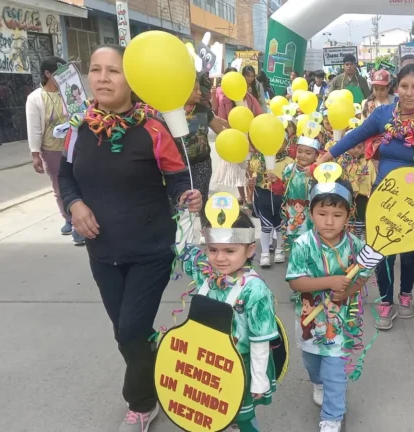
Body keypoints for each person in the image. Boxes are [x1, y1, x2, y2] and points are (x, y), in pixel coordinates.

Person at [58, 44, 202, 432]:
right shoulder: (78, 127)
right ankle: (156, 354)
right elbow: (66, 177)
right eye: (95, 69)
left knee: (129, 331)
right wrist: (74, 206)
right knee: (128, 334)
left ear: (132, 79)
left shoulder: (153, 128)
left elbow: (177, 179)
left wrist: (186, 196)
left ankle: (140, 402)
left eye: (113, 71)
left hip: (150, 251)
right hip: (102, 252)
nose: (102, 78)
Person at [319, 63, 414, 329]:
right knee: (381, 251)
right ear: (396, 87)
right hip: (384, 196)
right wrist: (326, 157)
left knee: (409, 252)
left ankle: (405, 296)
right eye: (404, 86)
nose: (409, 92)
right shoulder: (383, 115)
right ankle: (385, 301)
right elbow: (355, 135)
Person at [175, 207, 279, 432]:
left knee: (242, 417)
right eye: (213, 249)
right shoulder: (205, 272)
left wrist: (258, 379)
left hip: (238, 365)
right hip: (202, 363)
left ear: (250, 249)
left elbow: (260, 340)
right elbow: (182, 249)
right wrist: (186, 213)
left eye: (230, 250)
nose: (219, 258)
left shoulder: (255, 290)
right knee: (206, 412)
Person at [286, 178, 369, 432]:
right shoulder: (302, 245)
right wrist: (330, 282)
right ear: (311, 212)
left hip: (342, 322)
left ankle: (332, 417)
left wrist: (348, 292)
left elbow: (363, 276)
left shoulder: (356, 245)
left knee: (335, 370)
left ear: (348, 215)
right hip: (310, 320)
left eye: (337, 214)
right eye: (322, 213)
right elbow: (296, 283)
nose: (329, 221)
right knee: (313, 364)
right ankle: (317, 383)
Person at [25, 56, 86, 245]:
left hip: (75, 146)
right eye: (59, 73)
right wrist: (35, 153)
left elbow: (83, 112)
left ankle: (79, 219)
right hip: (52, 150)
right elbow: (34, 127)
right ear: (48, 74)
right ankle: (71, 221)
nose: (63, 77)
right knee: (60, 188)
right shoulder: (36, 98)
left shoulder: (69, 92)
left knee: (81, 182)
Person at [179, 74, 228, 228]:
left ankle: (204, 230)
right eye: (195, 90)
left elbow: (220, 130)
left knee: (202, 197)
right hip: (178, 164)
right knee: (177, 198)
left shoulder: (203, 110)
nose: (199, 93)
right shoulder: (171, 110)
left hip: (202, 163)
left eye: (199, 89)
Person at [212, 66, 263, 205]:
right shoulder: (225, 101)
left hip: (251, 139)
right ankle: (243, 197)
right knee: (238, 170)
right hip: (235, 140)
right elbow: (222, 120)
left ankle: (250, 198)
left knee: (250, 170)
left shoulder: (250, 99)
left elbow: (259, 116)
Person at [247, 139, 292, 267]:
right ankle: (265, 253)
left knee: (280, 226)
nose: (276, 145)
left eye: (280, 142)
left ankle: (280, 249)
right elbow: (254, 177)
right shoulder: (257, 161)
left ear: (286, 143)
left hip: (281, 198)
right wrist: (252, 183)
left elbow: (290, 182)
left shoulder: (289, 162)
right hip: (263, 196)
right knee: (265, 226)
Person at [281, 133, 320, 252]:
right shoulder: (289, 169)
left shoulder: (318, 172)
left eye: (308, 153)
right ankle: (296, 264)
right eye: (300, 151)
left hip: (310, 213)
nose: (303, 155)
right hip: (292, 212)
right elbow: (283, 188)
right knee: (294, 238)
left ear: (316, 155)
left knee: (311, 240)